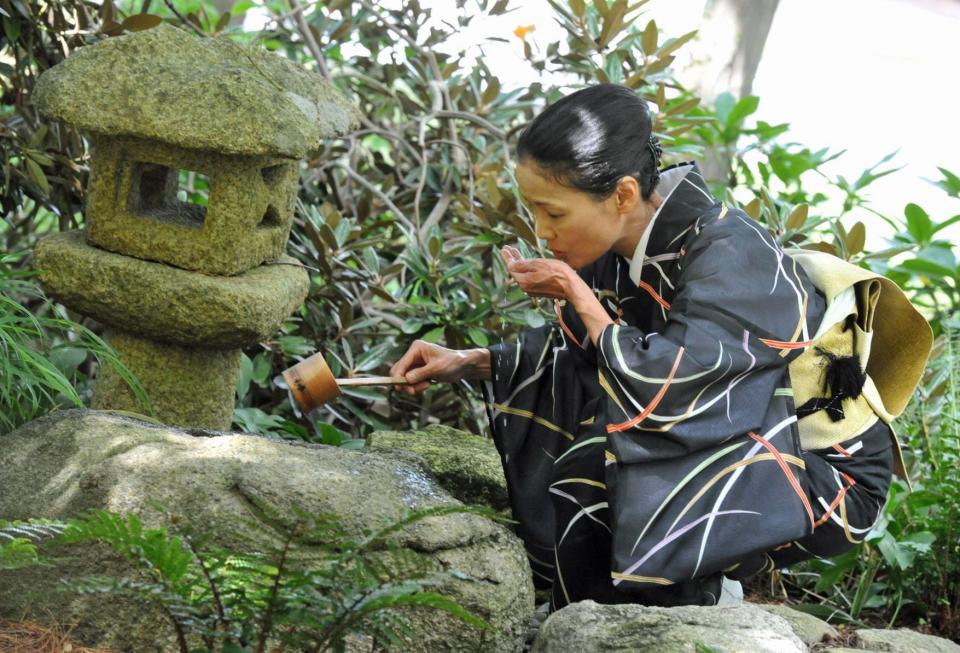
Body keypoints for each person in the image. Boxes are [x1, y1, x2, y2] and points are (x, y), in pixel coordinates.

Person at [389, 84, 895, 611]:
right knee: (590, 412)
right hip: (743, 433)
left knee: (597, 466)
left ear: (624, 194)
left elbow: (681, 393)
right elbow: (587, 354)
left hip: (823, 472)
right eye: (534, 213)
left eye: (554, 213)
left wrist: (579, 295)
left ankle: (672, 604)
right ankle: (611, 609)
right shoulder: (624, 241)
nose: (541, 232)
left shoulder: (733, 253)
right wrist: (472, 362)